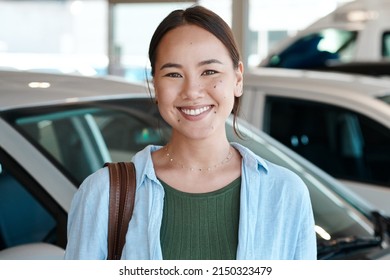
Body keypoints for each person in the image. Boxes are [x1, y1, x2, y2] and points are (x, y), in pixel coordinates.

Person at [64, 5, 317, 260]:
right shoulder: (103, 194)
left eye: (209, 71)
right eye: (174, 74)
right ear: (155, 86)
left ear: (238, 78)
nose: (192, 91)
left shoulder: (286, 193)